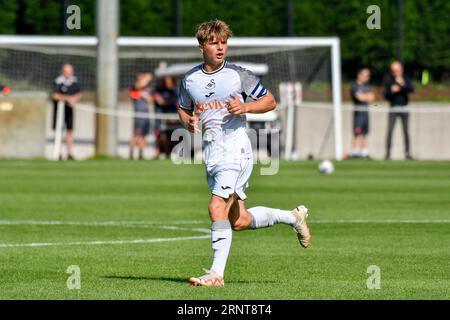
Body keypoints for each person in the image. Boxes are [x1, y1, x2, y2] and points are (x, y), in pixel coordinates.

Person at [177, 19, 311, 287]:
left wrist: (247, 108)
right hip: (212, 154)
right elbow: (183, 108)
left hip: (236, 150)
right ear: (202, 46)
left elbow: (270, 100)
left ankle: (216, 274)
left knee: (216, 208)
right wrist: (187, 122)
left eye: (224, 42)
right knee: (239, 220)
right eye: (214, 42)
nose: (220, 47)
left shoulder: (239, 75)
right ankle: (293, 217)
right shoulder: (190, 79)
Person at [384, 60, 414, 160]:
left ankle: (407, 153)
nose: (395, 72)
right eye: (393, 71)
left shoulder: (405, 78)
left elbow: (411, 89)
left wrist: (402, 85)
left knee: (406, 131)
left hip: (404, 108)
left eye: (396, 70)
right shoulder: (389, 80)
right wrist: (391, 91)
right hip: (393, 108)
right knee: (390, 131)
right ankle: (388, 154)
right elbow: (385, 95)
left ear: (401, 70)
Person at [51, 63, 81, 160]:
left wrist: (74, 99)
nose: (69, 73)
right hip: (59, 111)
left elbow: (79, 93)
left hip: (69, 111)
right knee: (59, 131)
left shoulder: (74, 82)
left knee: (69, 131)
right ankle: (58, 153)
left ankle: (69, 154)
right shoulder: (58, 82)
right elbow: (54, 95)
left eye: (70, 71)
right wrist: (67, 98)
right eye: (67, 71)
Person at [153, 76, 182, 158]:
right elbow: (161, 101)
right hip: (163, 117)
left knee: (174, 134)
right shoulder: (159, 91)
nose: (167, 83)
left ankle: (172, 152)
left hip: (174, 118)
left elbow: (175, 102)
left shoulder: (175, 91)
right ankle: (162, 153)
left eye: (169, 81)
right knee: (160, 135)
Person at [349, 67, 375, 159]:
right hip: (359, 113)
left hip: (366, 112)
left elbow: (372, 98)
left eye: (368, 75)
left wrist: (366, 96)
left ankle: (364, 153)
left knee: (365, 133)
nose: (366, 77)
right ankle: (353, 152)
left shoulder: (367, 86)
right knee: (357, 132)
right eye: (364, 75)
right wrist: (365, 96)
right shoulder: (355, 86)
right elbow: (360, 97)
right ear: (359, 75)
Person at [129, 72, 153, 160]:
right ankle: (131, 154)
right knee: (136, 134)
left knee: (144, 135)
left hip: (146, 114)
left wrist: (147, 97)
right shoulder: (134, 89)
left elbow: (151, 101)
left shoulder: (146, 90)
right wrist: (146, 78)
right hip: (139, 115)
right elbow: (138, 86)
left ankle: (140, 154)